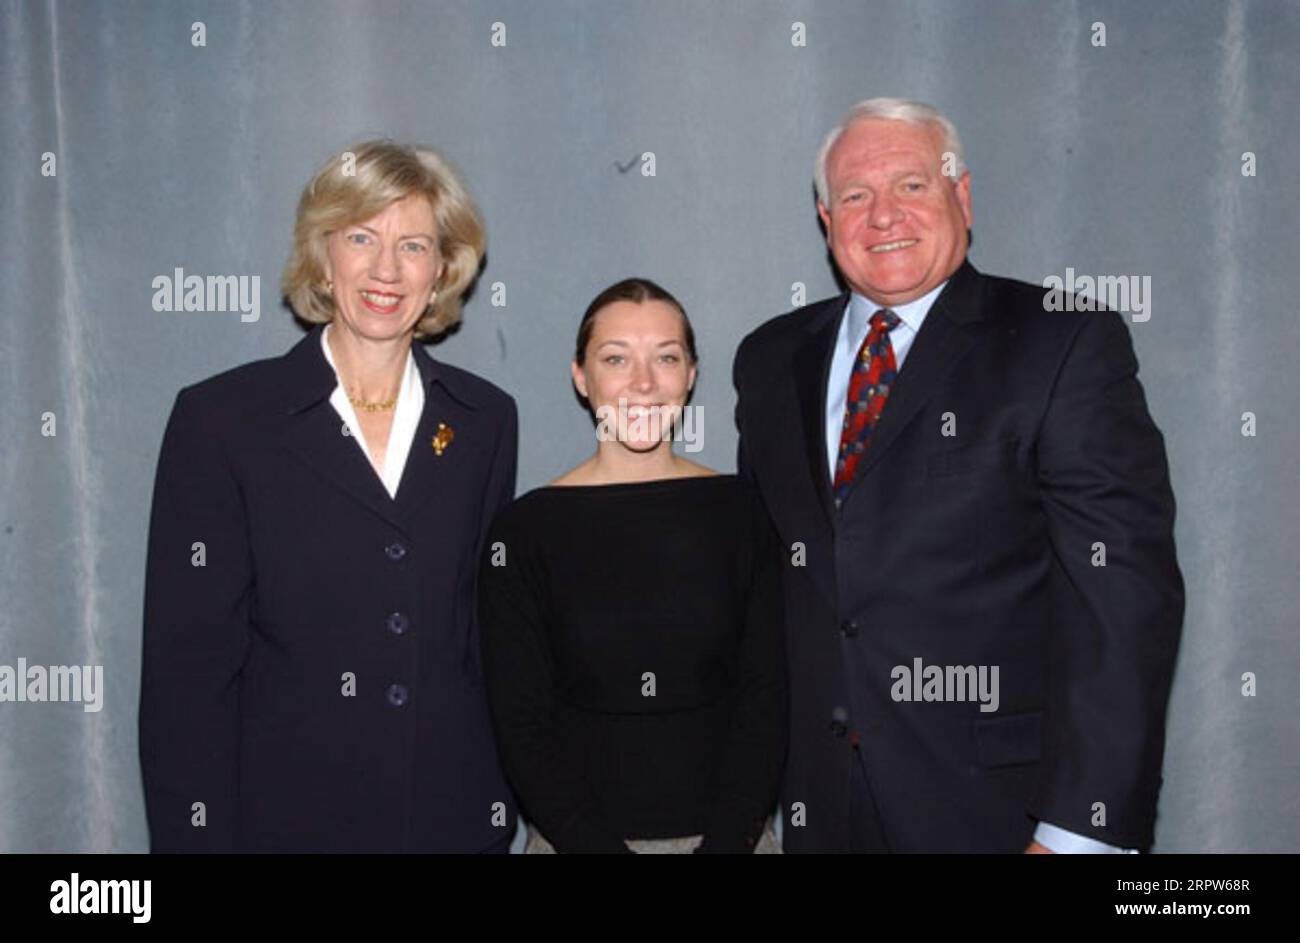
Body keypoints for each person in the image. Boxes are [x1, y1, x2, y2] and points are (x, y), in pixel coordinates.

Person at [732, 98, 1184, 853]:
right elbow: (769, 585)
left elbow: (1124, 602)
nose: (883, 215)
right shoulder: (771, 358)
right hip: (818, 811)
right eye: (855, 195)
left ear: (961, 197)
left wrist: (1079, 834)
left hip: (1003, 816)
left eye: (911, 185)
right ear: (824, 216)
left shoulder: (1063, 341)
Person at [139, 140, 519, 852]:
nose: (386, 269)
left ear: (443, 268)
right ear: (323, 254)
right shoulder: (223, 419)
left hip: (450, 819)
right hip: (283, 821)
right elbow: (186, 679)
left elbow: (477, 640)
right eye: (361, 238)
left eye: (413, 245)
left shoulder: (485, 419)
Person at [478, 278, 787, 853]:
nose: (643, 383)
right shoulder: (525, 532)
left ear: (691, 375)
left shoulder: (744, 512)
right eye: (616, 359)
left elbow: (766, 698)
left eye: (665, 357)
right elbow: (521, 725)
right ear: (581, 377)